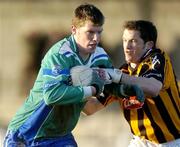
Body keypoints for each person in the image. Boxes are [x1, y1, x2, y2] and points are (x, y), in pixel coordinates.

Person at [3, 3, 112, 147]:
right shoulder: (60, 54)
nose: (96, 38)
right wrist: (92, 89)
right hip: (27, 135)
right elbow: (51, 95)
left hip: (60, 137)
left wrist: (119, 92)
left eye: (99, 32)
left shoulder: (99, 57)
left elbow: (89, 108)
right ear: (74, 30)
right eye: (90, 32)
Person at [85, 20, 180, 146]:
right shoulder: (123, 72)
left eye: (133, 41)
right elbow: (91, 108)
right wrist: (73, 90)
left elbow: (153, 87)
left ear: (149, 45)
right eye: (125, 40)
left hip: (171, 142)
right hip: (140, 142)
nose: (127, 46)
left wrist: (117, 77)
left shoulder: (157, 58)